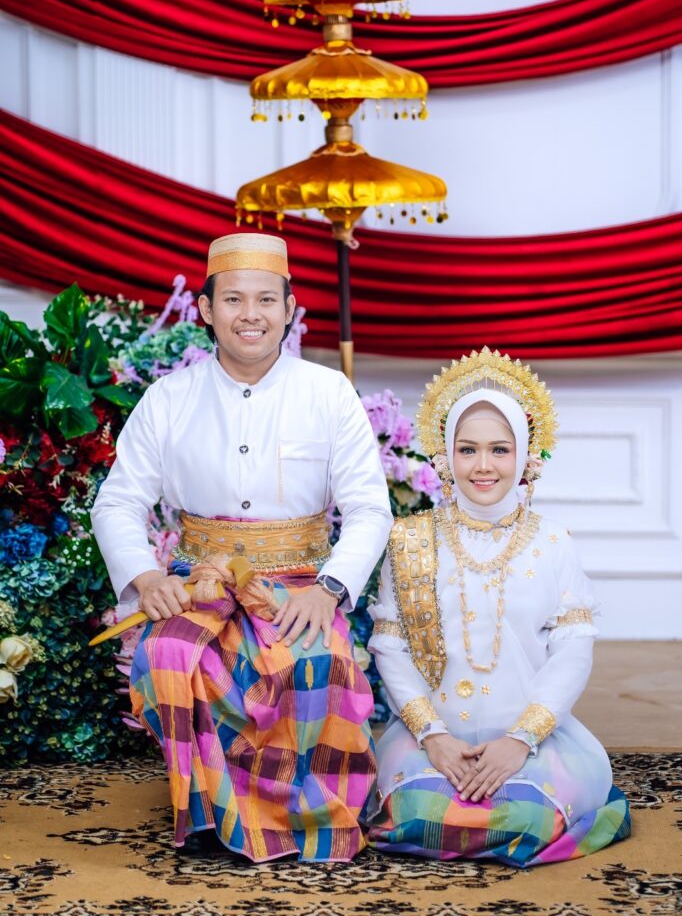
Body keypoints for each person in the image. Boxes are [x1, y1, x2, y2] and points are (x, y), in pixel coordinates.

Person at [91, 232, 393, 863]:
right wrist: (147, 579)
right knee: (170, 653)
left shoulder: (328, 392)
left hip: (300, 580)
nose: (249, 314)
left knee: (315, 660)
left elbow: (369, 508)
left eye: (265, 299)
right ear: (206, 309)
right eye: (232, 299)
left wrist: (329, 590)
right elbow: (117, 502)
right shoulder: (169, 398)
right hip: (200, 580)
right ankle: (209, 811)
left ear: (289, 309)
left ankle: (304, 813)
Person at [366, 347, 630, 866]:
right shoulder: (410, 541)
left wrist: (520, 741)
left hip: (535, 740)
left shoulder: (552, 543)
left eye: (499, 450)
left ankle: (525, 792)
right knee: (418, 813)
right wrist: (434, 737)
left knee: (528, 817)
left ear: (525, 455)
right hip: (431, 739)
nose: (483, 466)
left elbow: (573, 652)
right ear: (445, 456)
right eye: (467, 450)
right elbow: (389, 649)